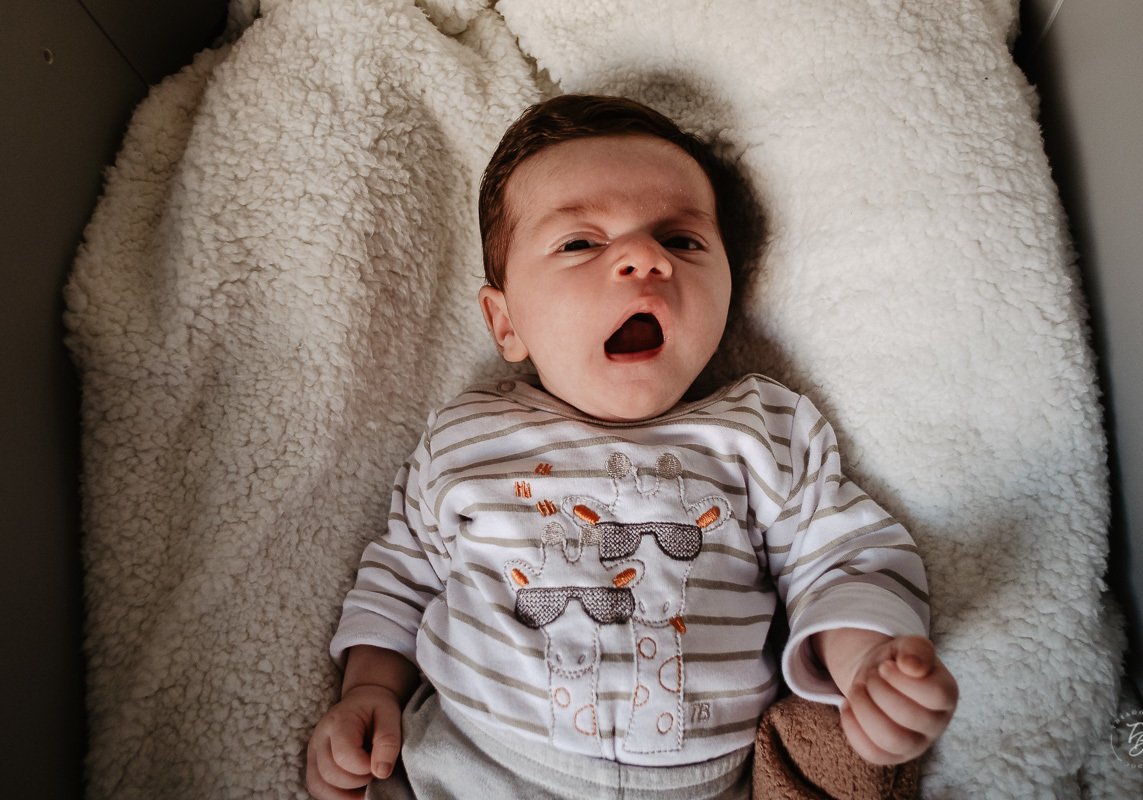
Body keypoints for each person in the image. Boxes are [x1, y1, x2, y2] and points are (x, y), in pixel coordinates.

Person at [306, 95, 957, 800]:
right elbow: (403, 576)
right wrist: (368, 687)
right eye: (580, 243)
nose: (644, 257)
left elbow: (839, 558)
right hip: (475, 767)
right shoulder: (468, 438)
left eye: (682, 240)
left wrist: (865, 664)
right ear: (506, 323)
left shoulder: (761, 432)